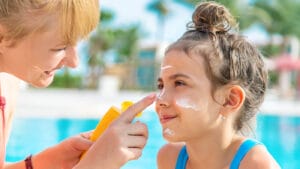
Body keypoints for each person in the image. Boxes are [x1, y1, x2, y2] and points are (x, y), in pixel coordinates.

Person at [0, 0, 156, 169]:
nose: (75, 62)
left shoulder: (6, 84)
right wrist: (96, 164)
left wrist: (47, 160)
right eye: (60, 47)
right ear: (3, 37)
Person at [155, 1, 281, 169]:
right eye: (161, 85)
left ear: (230, 99)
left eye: (179, 83)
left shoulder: (256, 165)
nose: (160, 99)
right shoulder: (169, 158)